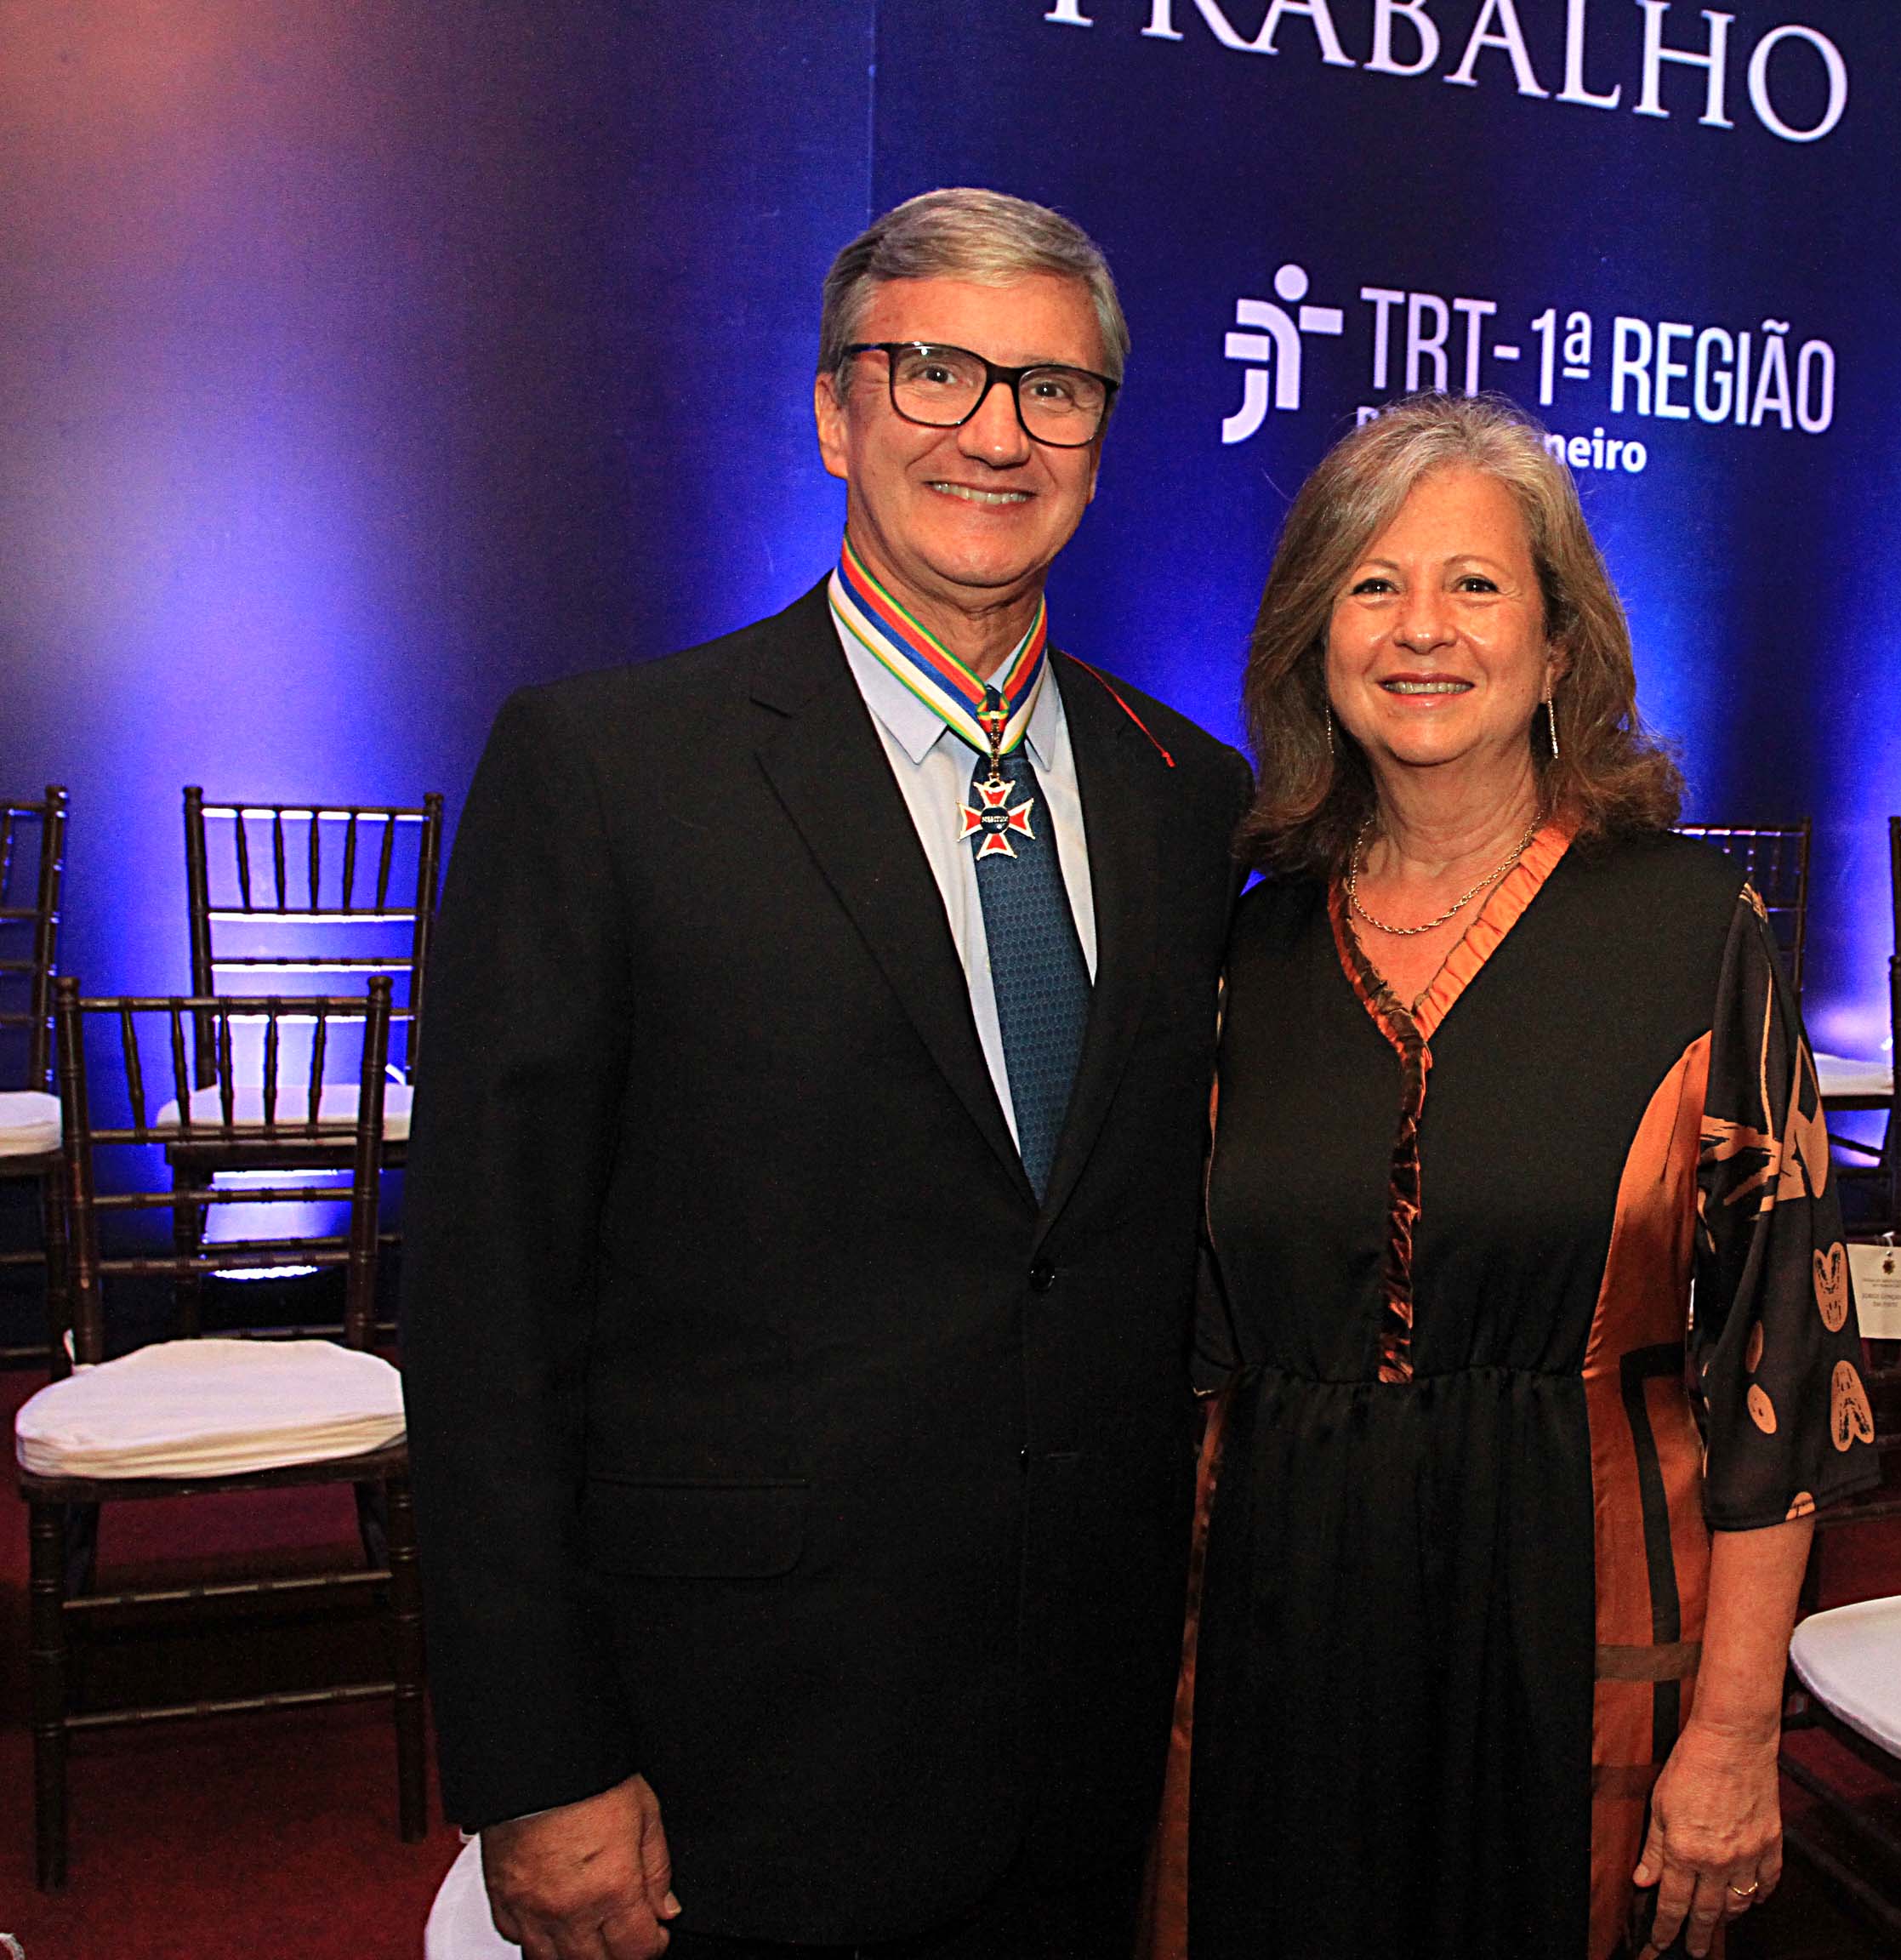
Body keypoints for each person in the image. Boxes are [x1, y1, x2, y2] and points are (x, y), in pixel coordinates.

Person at [405, 188, 1249, 1960]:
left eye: (1055, 388)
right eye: (932, 371)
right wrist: (536, 1762)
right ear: (832, 408)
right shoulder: (608, 772)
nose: (994, 431)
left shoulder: (1190, 793)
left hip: (1089, 1740)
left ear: (1104, 432)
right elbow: (488, 1316)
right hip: (742, 1754)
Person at [1175, 395, 1877, 1960]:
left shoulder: (1694, 933)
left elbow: (1781, 1364)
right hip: (1279, 1636)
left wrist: (1739, 1730)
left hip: (1582, 1626)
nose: (1422, 629)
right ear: (1315, 638)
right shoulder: (1249, 944)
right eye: (1372, 585)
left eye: (1476, 585)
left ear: (1560, 648)